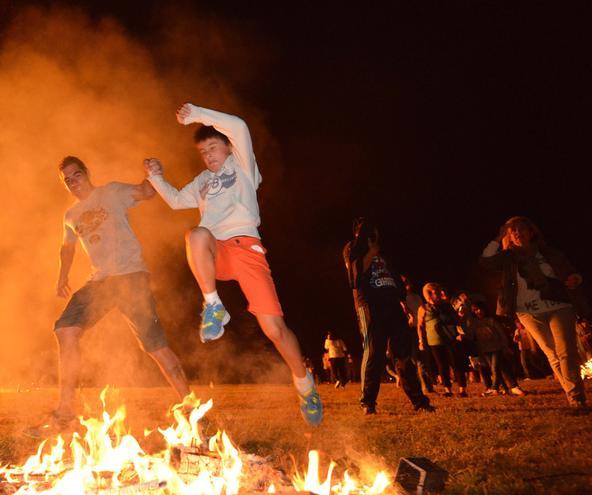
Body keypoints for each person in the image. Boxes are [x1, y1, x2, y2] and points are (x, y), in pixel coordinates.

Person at [144, 103, 322, 426]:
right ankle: (213, 305)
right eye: (203, 152)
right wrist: (156, 177)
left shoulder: (242, 165)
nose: (209, 156)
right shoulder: (201, 181)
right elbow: (174, 200)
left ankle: (304, 384)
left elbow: (239, 125)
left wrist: (197, 114)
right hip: (218, 252)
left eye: (213, 147)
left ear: (227, 146)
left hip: (247, 249)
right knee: (196, 234)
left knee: (275, 330)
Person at [30, 156, 192, 436]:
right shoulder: (70, 216)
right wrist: (62, 275)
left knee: (155, 347)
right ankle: (66, 413)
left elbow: (145, 192)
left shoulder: (112, 192)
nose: (73, 182)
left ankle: (191, 410)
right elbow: (66, 248)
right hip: (100, 282)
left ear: (87, 173)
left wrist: (154, 174)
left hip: (131, 277)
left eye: (76, 175)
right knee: (65, 330)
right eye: (67, 180)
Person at [480, 216, 589, 409]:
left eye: (521, 229)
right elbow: (486, 260)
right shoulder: (507, 258)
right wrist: (498, 237)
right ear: (508, 236)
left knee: (566, 353)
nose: (517, 233)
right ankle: (573, 394)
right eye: (512, 231)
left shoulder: (549, 253)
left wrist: (576, 278)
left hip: (558, 306)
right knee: (552, 353)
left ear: (531, 232)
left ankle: (576, 398)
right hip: (527, 312)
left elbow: (571, 272)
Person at [344, 218, 433, 414]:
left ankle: (419, 401)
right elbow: (355, 277)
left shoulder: (383, 251)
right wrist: (371, 252)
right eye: (367, 230)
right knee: (374, 353)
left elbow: (395, 280)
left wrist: (402, 302)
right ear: (357, 232)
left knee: (402, 355)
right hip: (369, 305)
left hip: (392, 305)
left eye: (375, 230)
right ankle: (368, 402)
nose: (373, 234)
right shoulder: (352, 248)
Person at [462, 301, 525, 396]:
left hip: (496, 347)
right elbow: (470, 334)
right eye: (475, 310)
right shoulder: (475, 323)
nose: (478, 312)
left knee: (495, 368)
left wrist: (505, 345)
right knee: (500, 368)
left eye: (479, 309)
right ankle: (509, 387)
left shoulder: (491, 320)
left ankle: (494, 388)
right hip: (485, 350)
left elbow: (501, 334)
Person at [417, 283, 467, 397]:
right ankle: (447, 389)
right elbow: (420, 326)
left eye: (437, 292)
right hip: (434, 341)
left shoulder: (446, 305)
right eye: (433, 292)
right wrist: (421, 341)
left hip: (450, 338)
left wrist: (460, 330)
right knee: (441, 365)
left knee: (456, 363)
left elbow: (455, 320)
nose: (436, 294)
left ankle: (462, 389)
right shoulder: (423, 308)